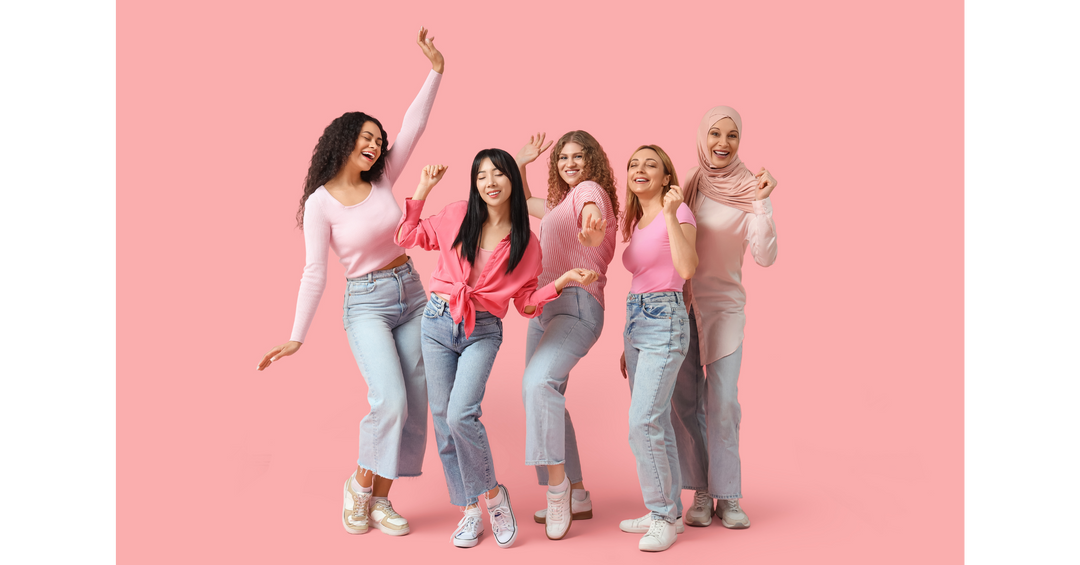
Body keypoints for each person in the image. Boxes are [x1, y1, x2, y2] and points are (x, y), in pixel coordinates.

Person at [256, 27, 445, 537]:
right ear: (344, 140)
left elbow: (413, 127)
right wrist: (296, 335)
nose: (376, 145)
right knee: (389, 398)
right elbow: (315, 270)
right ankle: (359, 487)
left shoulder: (382, 178)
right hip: (366, 303)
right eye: (367, 137)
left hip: (411, 292)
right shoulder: (320, 203)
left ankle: (381, 499)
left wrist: (435, 71)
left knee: (416, 400)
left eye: (379, 141)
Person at [395, 149, 598, 549]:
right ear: (475, 184)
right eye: (482, 176)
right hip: (437, 322)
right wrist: (422, 188)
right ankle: (474, 507)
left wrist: (560, 283)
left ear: (511, 182)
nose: (490, 182)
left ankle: (491, 497)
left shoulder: (527, 243)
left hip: (483, 329)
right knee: (443, 420)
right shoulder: (457, 215)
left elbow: (525, 304)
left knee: (461, 413)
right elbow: (406, 236)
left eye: (499, 174)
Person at [670, 106, 778, 530]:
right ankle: (701, 491)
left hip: (724, 309)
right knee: (685, 402)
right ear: (703, 137)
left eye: (732, 135)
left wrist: (762, 202)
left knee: (723, 403)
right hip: (683, 307)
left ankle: (728, 494)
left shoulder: (751, 189)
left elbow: (765, 256)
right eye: (715, 133)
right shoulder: (691, 182)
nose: (723, 143)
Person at [513, 131, 620, 540]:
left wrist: (593, 227)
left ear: (592, 162)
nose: (570, 164)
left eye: (578, 156)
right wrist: (520, 163)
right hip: (545, 306)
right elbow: (524, 201)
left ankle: (557, 492)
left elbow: (592, 211)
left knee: (538, 384)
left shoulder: (588, 192)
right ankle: (577, 492)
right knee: (542, 396)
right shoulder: (560, 205)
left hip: (576, 304)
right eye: (562, 158)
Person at [616, 145, 698, 552]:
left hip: (664, 319)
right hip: (637, 321)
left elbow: (686, 269)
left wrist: (669, 214)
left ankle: (662, 515)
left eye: (651, 164)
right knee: (657, 422)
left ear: (666, 177)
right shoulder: (635, 221)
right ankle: (670, 512)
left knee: (643, 421)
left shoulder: (678, 213)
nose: (640, 169)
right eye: (634, 163)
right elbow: (641, 276)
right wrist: (628, 340)